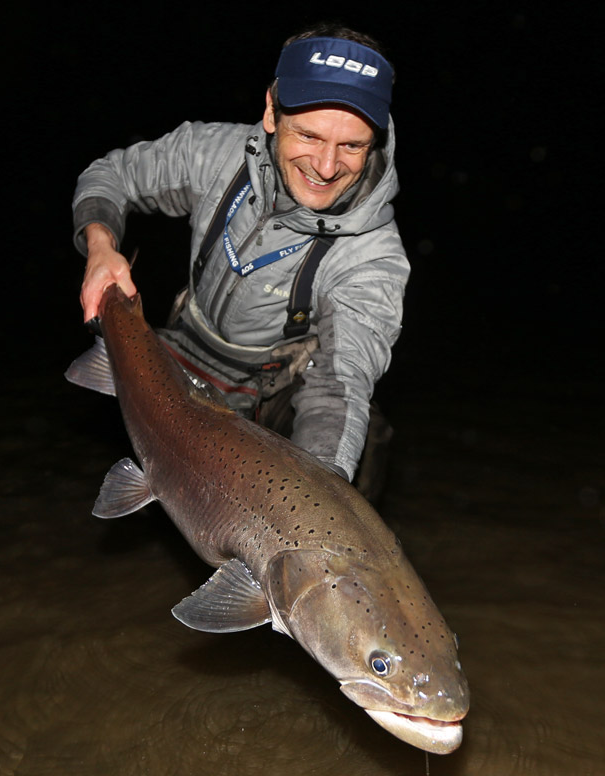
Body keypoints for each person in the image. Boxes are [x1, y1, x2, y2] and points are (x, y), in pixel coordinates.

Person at [72, 24, 407, 502]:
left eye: (352, 146)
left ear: (376, 138)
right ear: (271, 110)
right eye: (309, 135)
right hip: (178, 351)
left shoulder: (374, 256)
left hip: (273, 385)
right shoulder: (213, 155)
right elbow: (112, 175)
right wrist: (101, 246)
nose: (327, 167)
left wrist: (312, 504)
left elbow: (339, 385)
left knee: (365, 442)